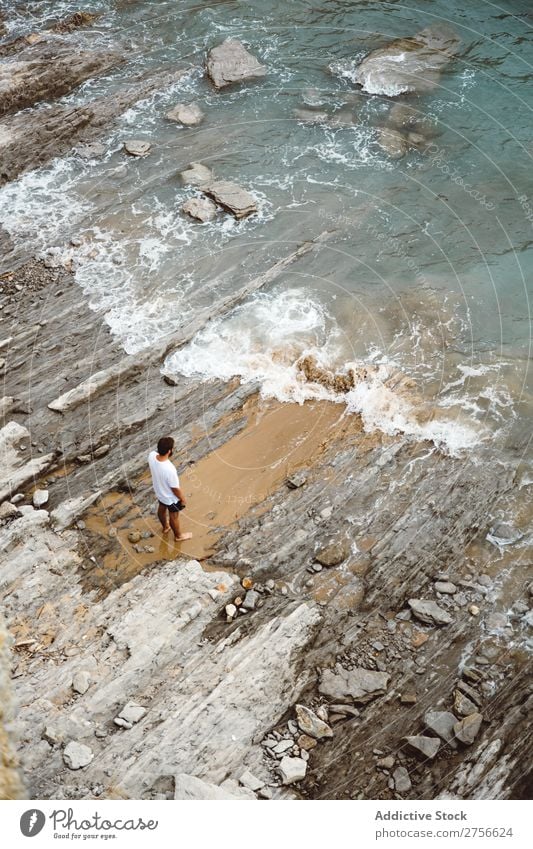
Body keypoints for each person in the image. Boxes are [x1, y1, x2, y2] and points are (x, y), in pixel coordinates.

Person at [148, 436, 192, 541]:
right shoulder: (169, 469)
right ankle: (178, 536)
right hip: (171, 498)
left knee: (162, 510)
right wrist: (182, 499)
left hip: (159, 492)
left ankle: (165, 527)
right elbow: (175, 489)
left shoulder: (151, 456)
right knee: (174, 516)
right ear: (169, 451)